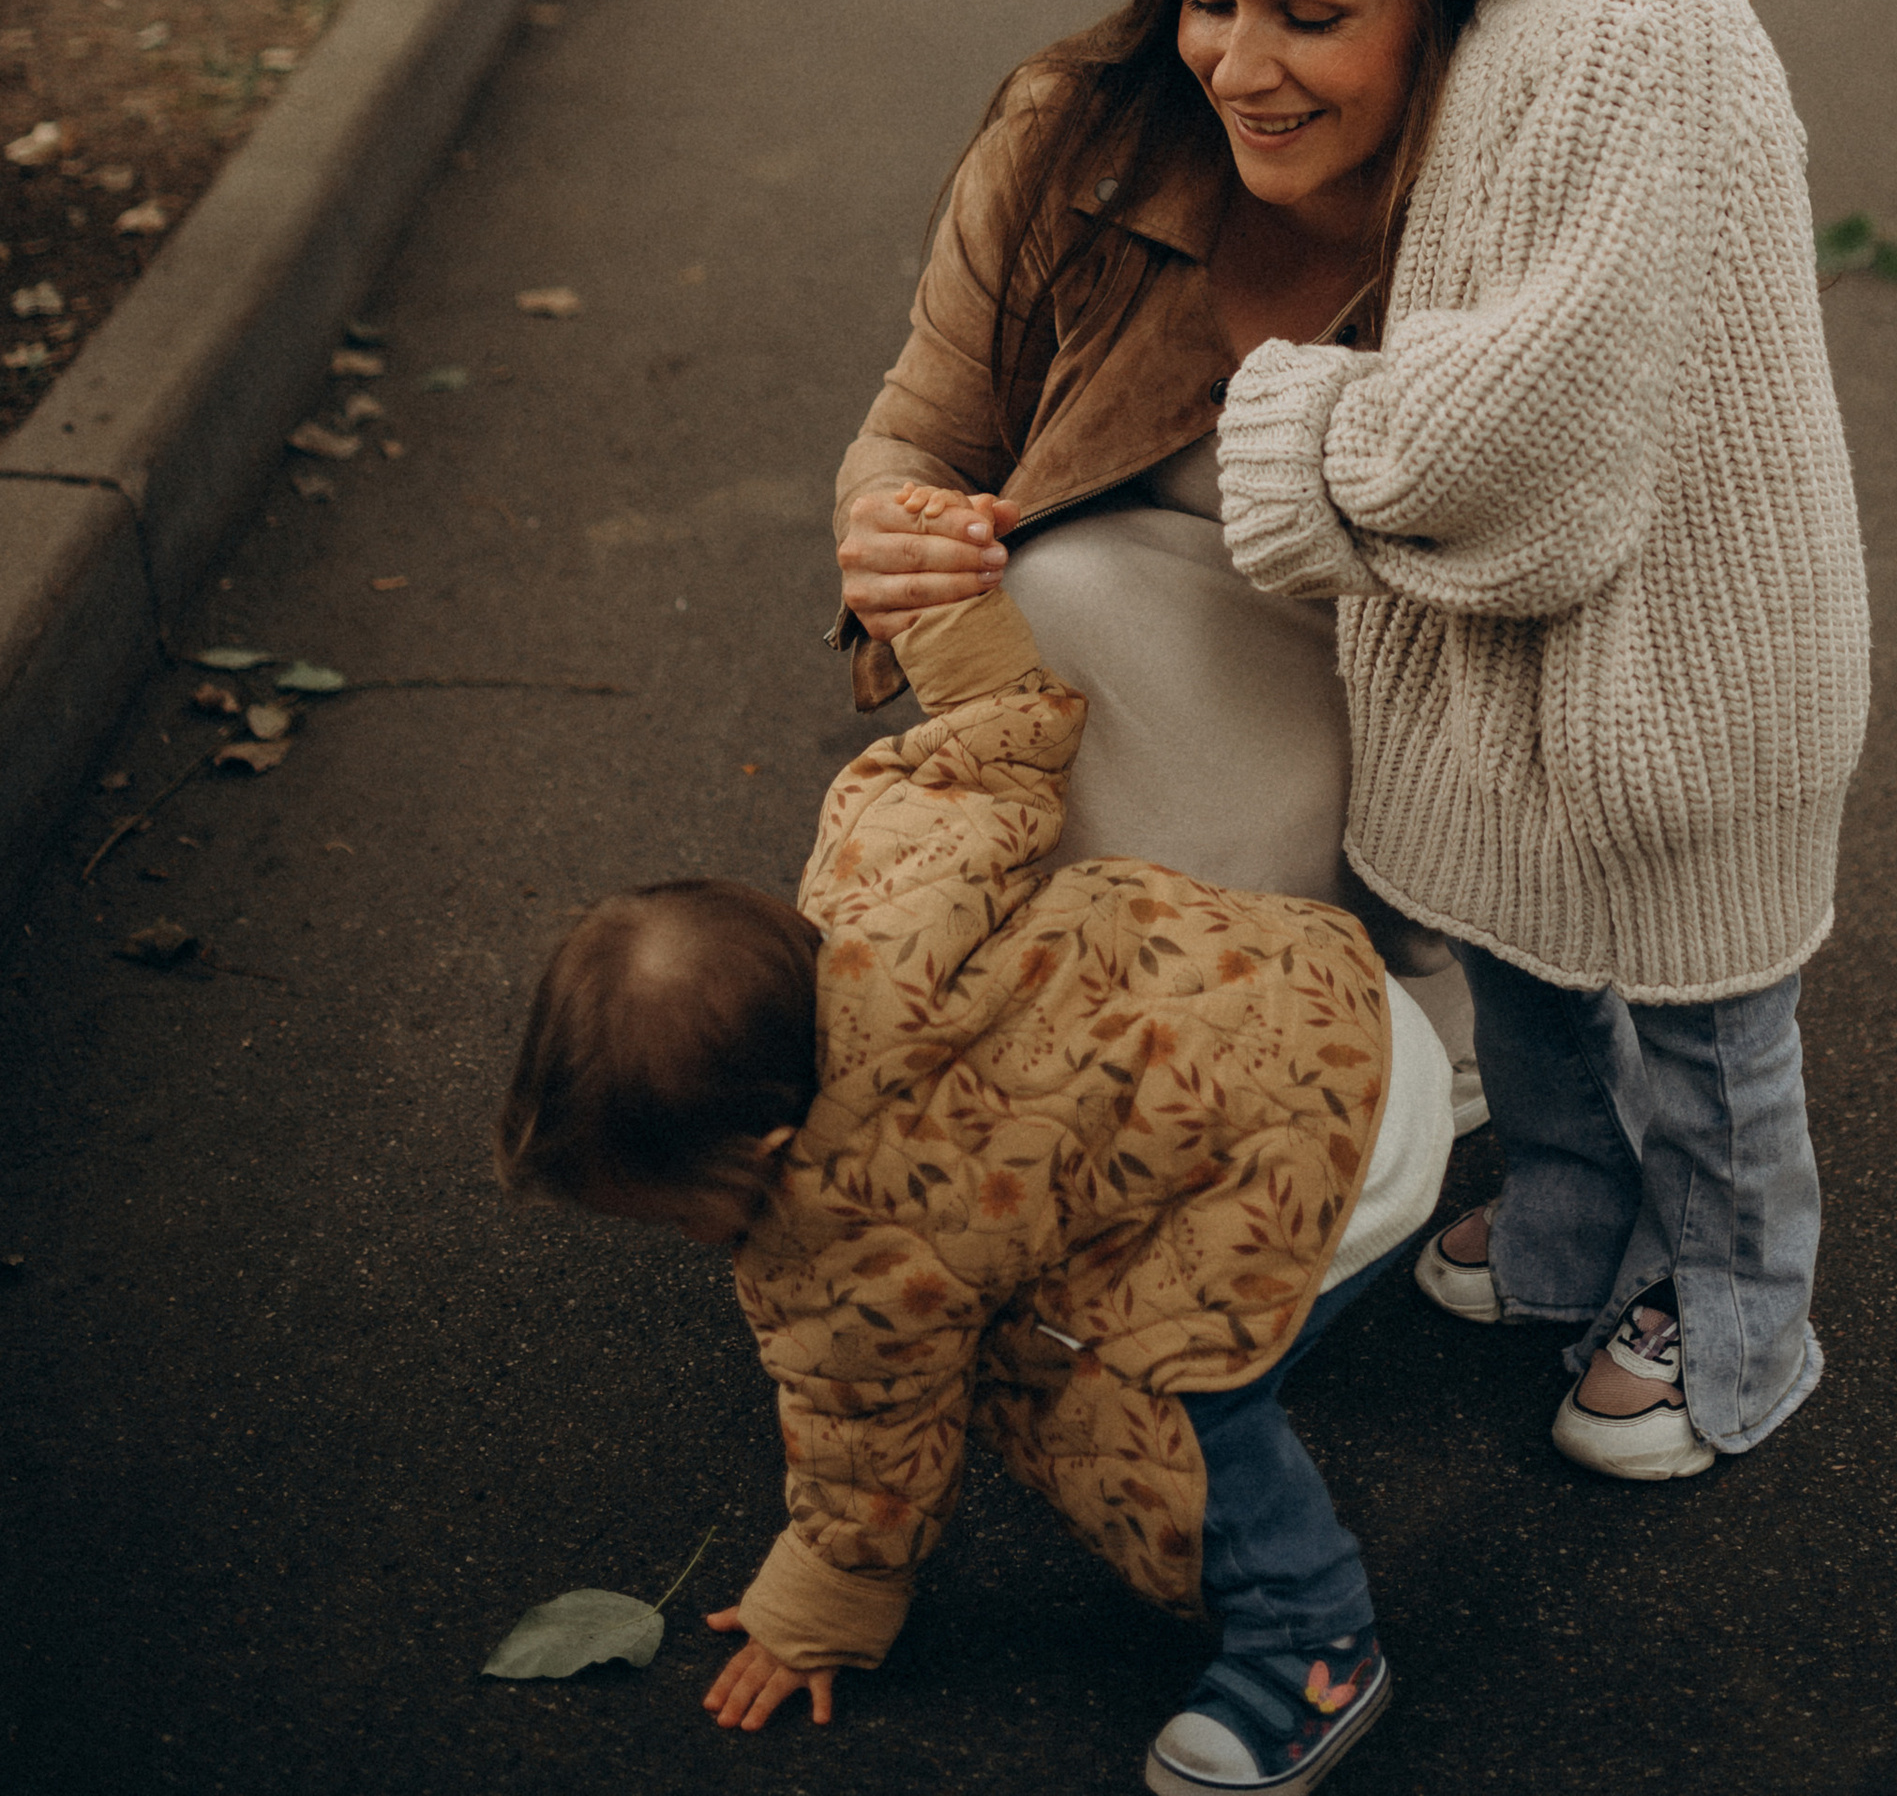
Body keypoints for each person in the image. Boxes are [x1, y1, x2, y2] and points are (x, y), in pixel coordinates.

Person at [1214, 0, 1870, 1485]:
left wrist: (1303, 430)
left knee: (1696, 1034)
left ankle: (1746, 1318)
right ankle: (1581, 1229)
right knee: (1525, 974)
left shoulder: (1635, 31)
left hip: (1680, 664)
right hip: (1561, 658)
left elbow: (1540, 422)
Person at [495, 586, 1450, 1794]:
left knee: (1164, 1400)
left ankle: (1313, 1650)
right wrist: (946, 610)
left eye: (678, 1209)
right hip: (1334, 1003)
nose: (688, 1239)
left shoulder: (840, 1236)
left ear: (772, 1143)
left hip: (1319, 1165)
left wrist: (826, 1595)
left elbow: (867, 1440)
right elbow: (995, 733)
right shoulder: (875, 886)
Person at [828, 0, 1485, 1095]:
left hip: (1430, 741)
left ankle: (1407, 1028)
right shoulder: (1075, 134)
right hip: (1117, 698)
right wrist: (889, 532)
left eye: (1308, 17)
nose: (1239, 67)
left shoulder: (1516, 209)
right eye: (1204, 1)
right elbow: (918, 436)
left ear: (1439, 11)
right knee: (1047, 593)